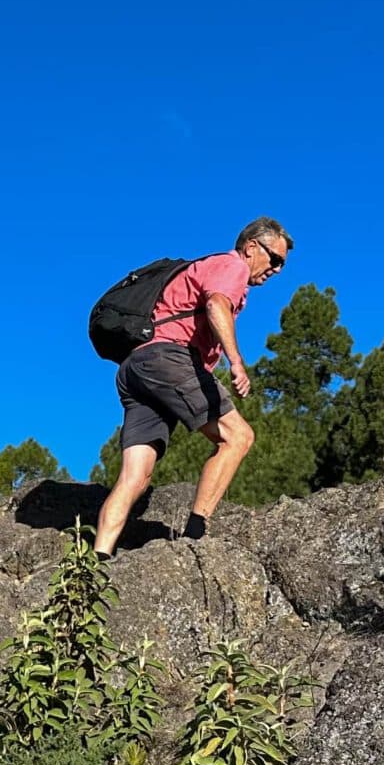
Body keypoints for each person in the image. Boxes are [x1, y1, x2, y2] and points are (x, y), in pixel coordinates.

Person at [93, 217, 291, 555]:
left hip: (135, 367)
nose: (276, 270)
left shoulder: (205, 266)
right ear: (252, 247)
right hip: (169, 359)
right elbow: (216, 305)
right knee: (238, 436)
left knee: (136, 477)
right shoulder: (232, 266)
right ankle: (195, 538)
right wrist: (237, 362)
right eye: (275, 260)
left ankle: (98, 558)